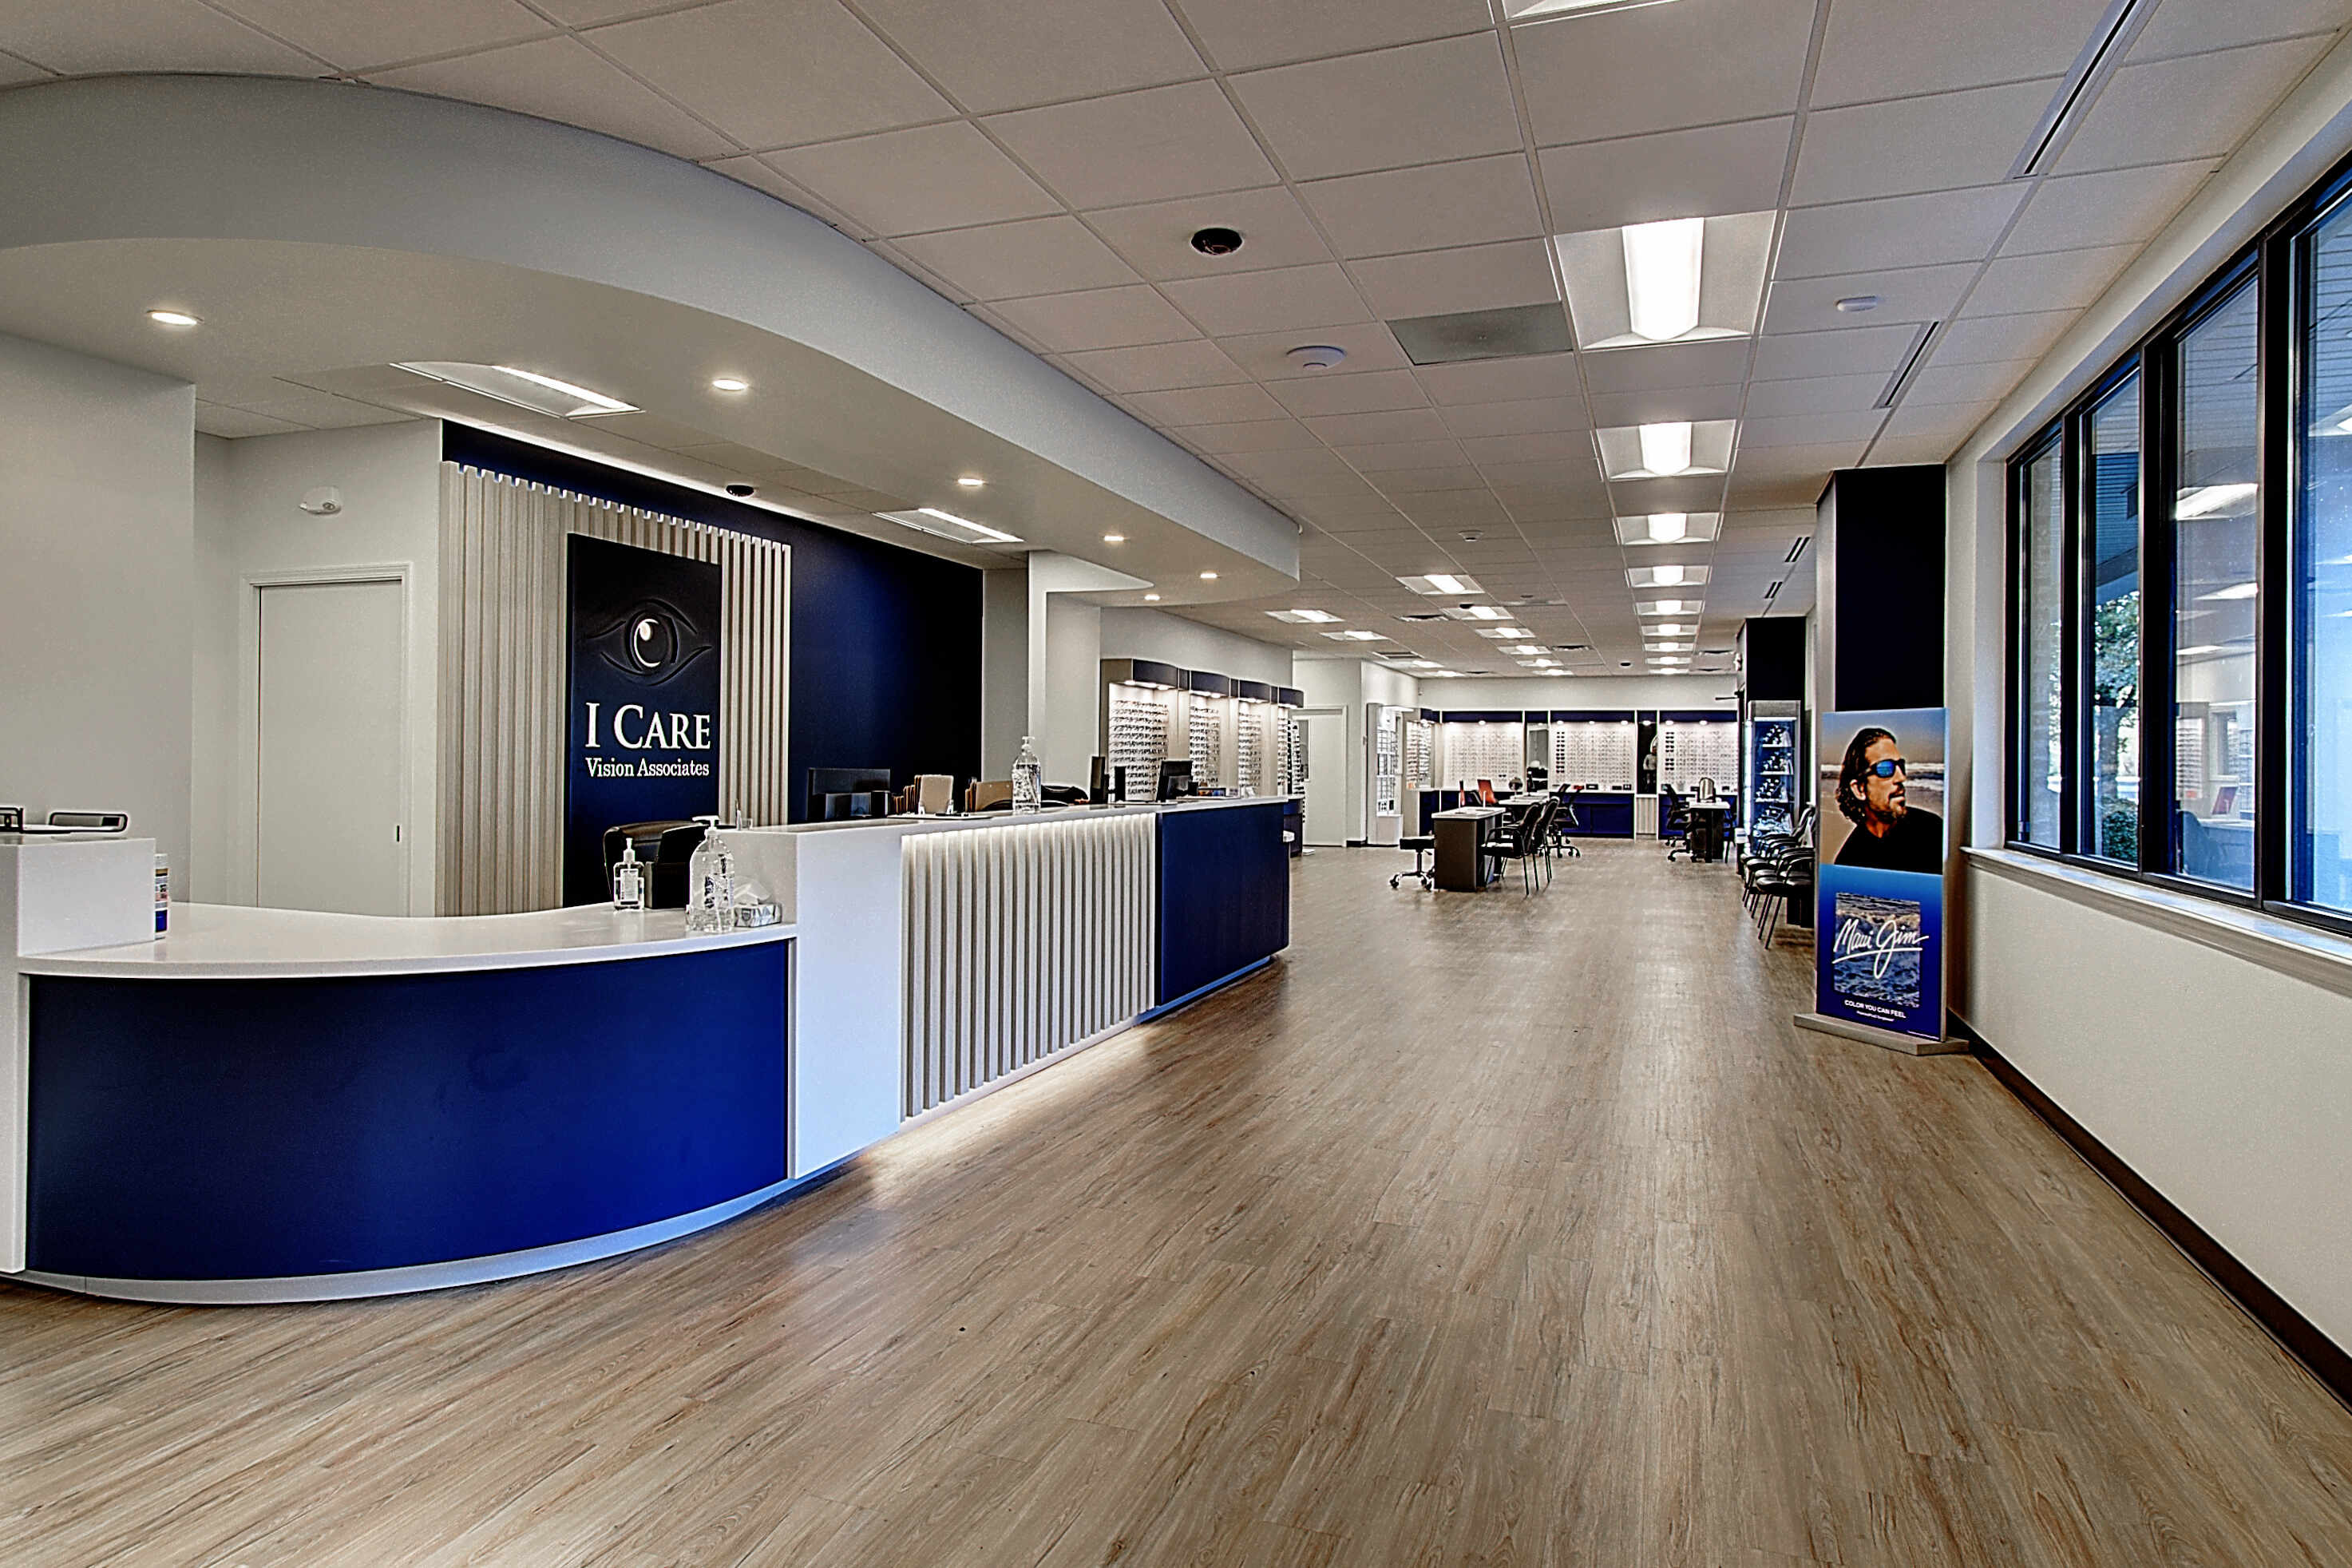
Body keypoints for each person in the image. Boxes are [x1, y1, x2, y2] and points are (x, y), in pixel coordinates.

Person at [1832, 727, 1944, 873]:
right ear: (1859, 789)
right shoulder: (1850, 860)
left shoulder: (1932, 830)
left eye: (1901, 766)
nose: (1901, 778)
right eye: (1886, 768)